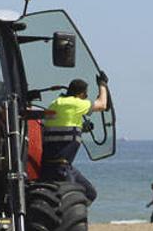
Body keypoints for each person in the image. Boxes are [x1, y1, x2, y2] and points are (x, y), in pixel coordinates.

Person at [40, 74, 109, 204]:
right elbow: (102, 104)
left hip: (53, 165)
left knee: (90, 193)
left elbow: (60, 128)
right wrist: (103, 85)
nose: (86, 97)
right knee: (72, 200)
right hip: (60, 168)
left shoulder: (55, 103)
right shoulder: (75, 103)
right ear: (80, 94)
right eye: (85, 94)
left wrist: (80, 129)